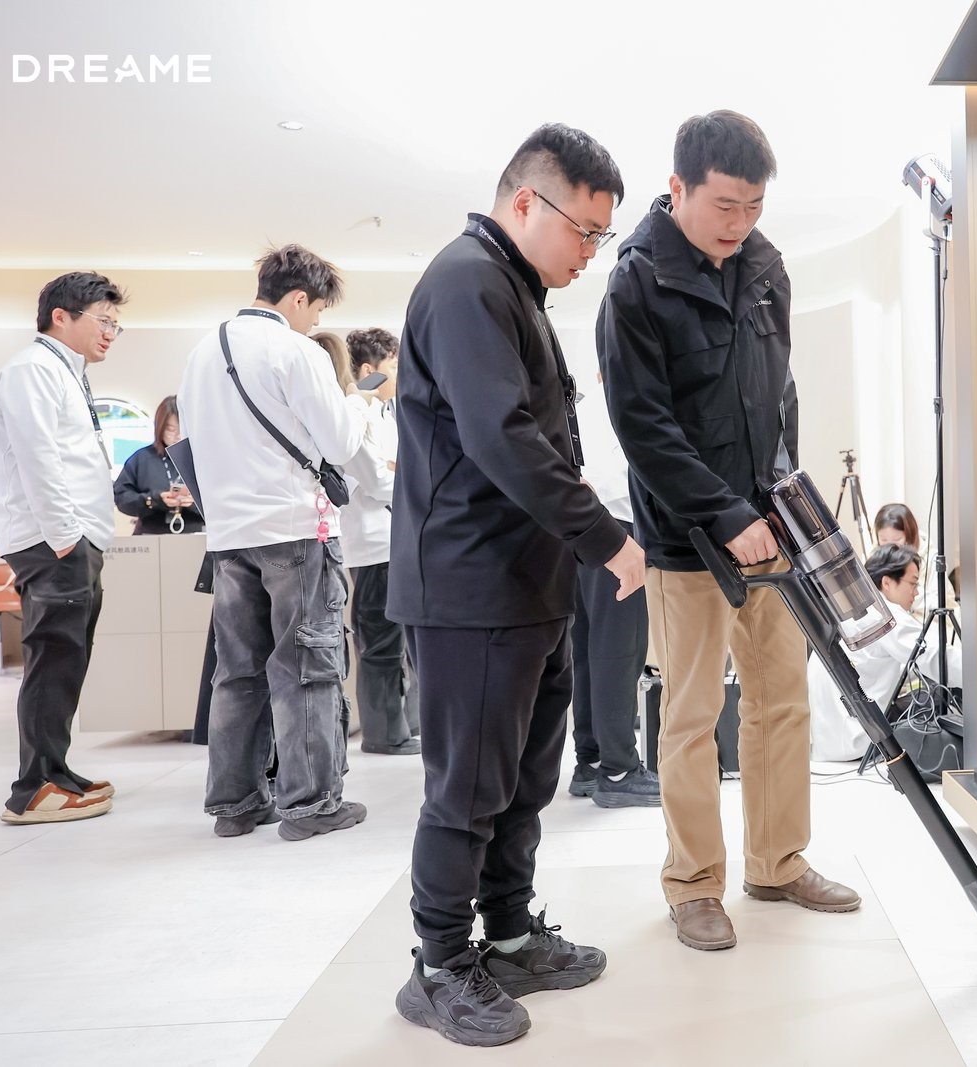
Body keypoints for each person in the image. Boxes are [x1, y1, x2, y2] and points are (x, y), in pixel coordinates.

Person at [388, 124, 644, 1048]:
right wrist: (605, 536)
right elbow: (502, 438)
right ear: (527, 201)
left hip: (526, 582)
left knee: (525, 777)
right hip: (471, 586)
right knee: (467, 786)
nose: (591, 251)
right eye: (585, 230)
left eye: (602, 235)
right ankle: (438, 964)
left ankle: (504, 933)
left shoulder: (513, 287)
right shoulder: (467, 282)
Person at [598, 110, 860, 954]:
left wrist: (780, 492)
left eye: (753, 206)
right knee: (692, 710)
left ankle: (777, 862)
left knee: (782, 699)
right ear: (677, 188)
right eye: (724, 205)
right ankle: (694, 883)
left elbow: (779, 392)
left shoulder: (766, 268)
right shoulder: (636, 284)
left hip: (767, 528)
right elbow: (643, 427)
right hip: (687, 539)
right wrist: (722, 512)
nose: (740, 222)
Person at [176, 245, 367, 841]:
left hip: (229, 536)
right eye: (316, 310)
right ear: (298, 298)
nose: (315, 322)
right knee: (306, 668)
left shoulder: (203, 351)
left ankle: (235, 805)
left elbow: (191, 444)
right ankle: (311, 805)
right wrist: (357, 404)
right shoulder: (295, 350)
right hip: (294, 529)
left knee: (236, 672)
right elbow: (339, 443)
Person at [0, 272, 126, 823]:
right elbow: (38, 458)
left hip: (72, 539)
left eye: (116, 324)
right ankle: (33, 790)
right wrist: (66, 537)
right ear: (61, 316)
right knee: (52, 660)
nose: (111, 332)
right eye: (103, 320)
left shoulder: (66, 371)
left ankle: (55, 770)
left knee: (67, 660)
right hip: (55, 543)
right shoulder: (32, 369)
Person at [568, 370, 658, 807]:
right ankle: (619, 769)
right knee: (619, 653)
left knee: (588, 652)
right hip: (617, 534)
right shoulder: (624, 404)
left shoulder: (581, 407)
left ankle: (589, 761)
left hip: (581, 534)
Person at [335, 327, 420, 755]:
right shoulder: (356, 414)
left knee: (401, 642)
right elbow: (377, 481)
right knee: (380, 643)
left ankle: (404, 725)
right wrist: (398, 472)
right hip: (371, 547)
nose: (402, 375)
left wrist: (397, 470)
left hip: (394, 540)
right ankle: (384, 735)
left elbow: (398, 469)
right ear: (369, 370)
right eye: (394, 367)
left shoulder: (385, 412)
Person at [806, 543, 962, 761]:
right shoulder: (882, 614)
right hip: (858, 740)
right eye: (913, 583)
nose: (916, 593)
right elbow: (933, 656)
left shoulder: (850, 611)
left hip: (827, 745)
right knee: (939, 693)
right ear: (887, 582)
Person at [113, 395, 205, 534]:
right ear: (159, 428)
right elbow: (121, 499)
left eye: (184, 429)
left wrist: (195, 502)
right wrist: (153, 500)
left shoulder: (203, 459)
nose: (178, 436)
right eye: (171, 430)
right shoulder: (141, 458)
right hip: (150, 535)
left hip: (198, 534)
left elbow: (222, 499)